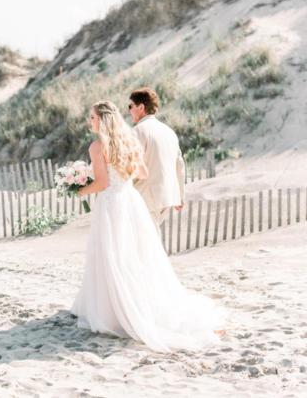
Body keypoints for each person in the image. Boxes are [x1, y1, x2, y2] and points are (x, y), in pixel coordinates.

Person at [70, 100, 225, 353]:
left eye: (93, 117)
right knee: (138, 256)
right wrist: (121, 175)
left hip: (111, 204)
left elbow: (100, 183)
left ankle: (114, 313)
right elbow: (141, 173)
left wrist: (79, 191)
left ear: (103, 120)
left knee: (112, 256)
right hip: (132, 202)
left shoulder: (97, 146)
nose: (91, 121)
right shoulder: (129, 141)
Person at [129, 88, 185, 231]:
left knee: (145, 242)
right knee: (152, 238)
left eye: (131, 106)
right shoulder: (169, 131)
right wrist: (180, 194)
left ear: (141, 107)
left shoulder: (138, 131)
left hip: (145, 195)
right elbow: (179, 164)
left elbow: (131, 165)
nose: (129, 111)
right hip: (167, 196)